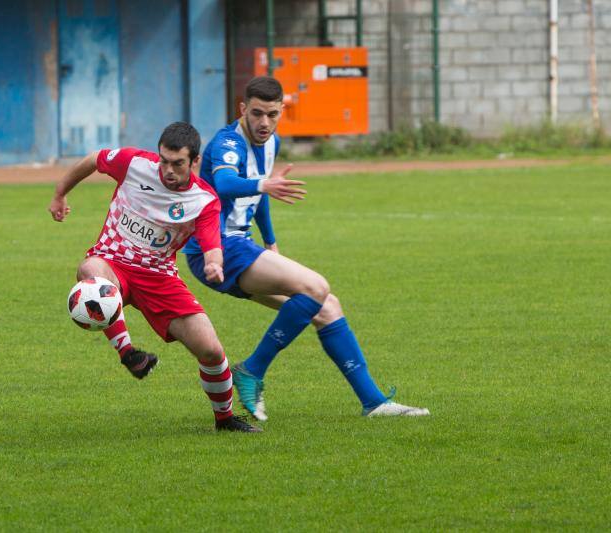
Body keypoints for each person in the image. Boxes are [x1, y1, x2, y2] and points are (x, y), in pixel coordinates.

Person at [183, 77, 430, 420]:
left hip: (241, 245)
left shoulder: (270, 142)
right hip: (215, 248)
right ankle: (252, 370)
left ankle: (374, 402)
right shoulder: (228, 142)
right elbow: (226, 183)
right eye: (256, 113)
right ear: (243, 110)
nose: (264, 122)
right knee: (316, 287)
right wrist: (264, 185)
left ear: (282, 110)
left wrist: (270, 240)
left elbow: (259, 195)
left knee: (327, 306)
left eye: (272, 114)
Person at [48, 122, 261, 433]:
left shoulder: (204, 201)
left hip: (159, 278)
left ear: (195, 162)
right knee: (90, 272)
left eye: (177, 163)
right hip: (113, 262)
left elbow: (212, 245)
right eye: (164, 160)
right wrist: (59, 193)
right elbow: (95, 159)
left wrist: (215, 265)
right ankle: (129, 354)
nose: (168, 169)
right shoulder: (134, 163)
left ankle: (225, 419)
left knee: (211, 349)